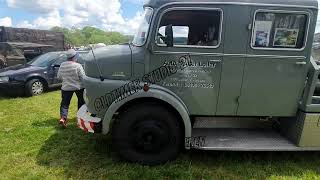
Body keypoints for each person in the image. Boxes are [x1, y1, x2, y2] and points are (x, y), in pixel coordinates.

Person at [57, 49, 85, 127]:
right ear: (75, 57)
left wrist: (66, 78)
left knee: (64, 104)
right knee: (81, 103)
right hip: (78, 87)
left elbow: (59, 77)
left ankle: (63, 118)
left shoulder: (62, 65)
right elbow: (82, 77)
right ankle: (80, 120)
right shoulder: (77, 65)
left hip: (66, 87)